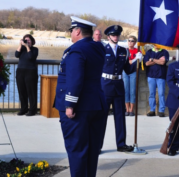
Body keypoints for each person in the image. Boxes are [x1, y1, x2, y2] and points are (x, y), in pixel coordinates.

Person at [54, 16, 106, 177]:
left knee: (77, 151)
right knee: (91, 151)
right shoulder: (98, 48)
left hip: (79, 108)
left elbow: (75, 80)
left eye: (71, 31)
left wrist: (70, 105)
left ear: (77, 31)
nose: (70, 34)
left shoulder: (76, 50)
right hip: (96, 104)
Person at [100, 25, 142, 153]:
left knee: (120, 117)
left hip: (118, 86)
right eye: (113, 35)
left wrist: (135, 60)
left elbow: (128, 70)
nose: (115, 37)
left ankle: (121, 144)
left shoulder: (124, 51)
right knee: (101, 118)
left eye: (117, 35)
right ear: (108, 37)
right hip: (105, 85)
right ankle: (98, 145)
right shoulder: (102, 49)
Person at [15, 34, 38, 116]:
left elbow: (31, 57)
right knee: (22, 91)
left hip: (30, 72)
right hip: (20, 71)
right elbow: (16, 55)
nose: (27, 41)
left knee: (31, 92)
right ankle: (23, 109)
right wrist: (20, 45)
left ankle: (32, 110)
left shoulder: (34, 49)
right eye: (25, 40)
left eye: (28, 40)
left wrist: (27, 46)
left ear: (32, 41)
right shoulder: (21, 49)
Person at [143, 45, 169, 117]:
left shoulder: (165, 52)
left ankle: (161, 111)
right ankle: (152, 110)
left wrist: (152, 59)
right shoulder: (149, 52)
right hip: (151, 76)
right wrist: (158, 60)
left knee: (161, 94)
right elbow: (147, 63)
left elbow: (162, 62)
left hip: (161, 76)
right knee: (152, 94)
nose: (156, 44)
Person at [123, 35, 141, 116]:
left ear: (135, 42)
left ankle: (131, 110)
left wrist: (131, 60)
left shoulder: (138, 51)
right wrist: (131, 61)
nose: (130, 42)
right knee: (126, 90)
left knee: (132, 91)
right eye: (129, 40)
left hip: (133, 71)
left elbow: (139, 60)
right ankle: (126, 109)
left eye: (132, 41)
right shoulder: (124, 50)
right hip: (125, 72)